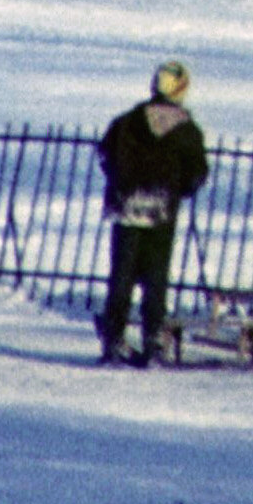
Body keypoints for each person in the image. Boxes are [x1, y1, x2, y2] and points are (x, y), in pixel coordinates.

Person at [95, 58, 207, 366]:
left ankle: (113, 337)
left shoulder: (127, 122)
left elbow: (105, 154)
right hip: (161, 210)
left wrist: (123, 184)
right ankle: (153, 339)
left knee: (122, 274)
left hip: (126, 206)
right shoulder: (185, 129)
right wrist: (179, 189)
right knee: (156, 277)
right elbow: (197, 171)